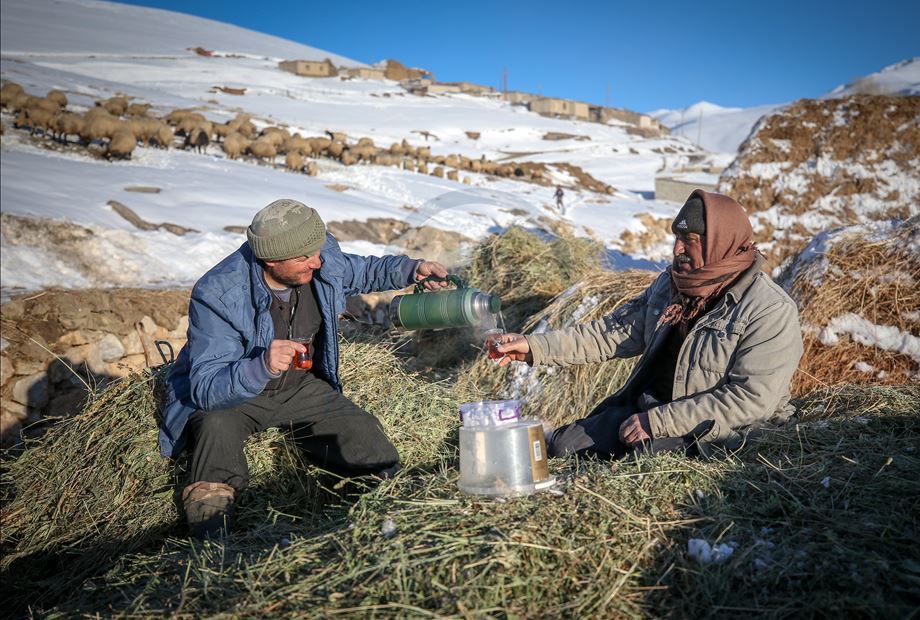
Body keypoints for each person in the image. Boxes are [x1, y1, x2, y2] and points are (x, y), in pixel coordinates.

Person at [160, 198, 449, 537]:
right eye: (305, 257)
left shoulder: (318, 256)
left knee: (366, 440)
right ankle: (212, 550)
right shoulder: (219, 293)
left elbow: (358, 271)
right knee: (214, 437)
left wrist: (410, 270)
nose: (318, 261)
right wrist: (260, 367)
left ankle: (382, 524)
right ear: (270, 259)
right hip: (237, 396)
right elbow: (207, 387)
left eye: (317, 251)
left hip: (299, 386)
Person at [493, 190, 802, 459]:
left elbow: (750, 400)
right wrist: (534, 346)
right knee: (563, 446)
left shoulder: (769, 310)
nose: (678, 250)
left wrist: (658, 423)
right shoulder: (671, 285)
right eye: (677, 239)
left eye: (690, 241)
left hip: (720, 428)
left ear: (721, 243)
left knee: (640, 457)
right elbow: (610, 332)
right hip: (655, 407)